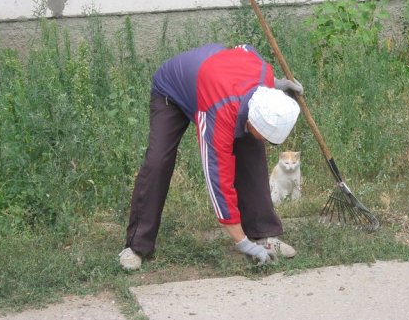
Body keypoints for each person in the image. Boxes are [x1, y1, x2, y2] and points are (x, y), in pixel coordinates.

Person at [119, 43, 303, 270]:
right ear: (251, 119)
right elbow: (218, 179)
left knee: (252, 151)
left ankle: (264, 234)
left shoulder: (264, 75)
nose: (265, 140)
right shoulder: (219, 111)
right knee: (158, 162)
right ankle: (137, 245)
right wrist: (242, 243)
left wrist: (275, 85)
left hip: (214, 75)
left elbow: (245, 49)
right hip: (173, 90)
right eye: (264, 134)